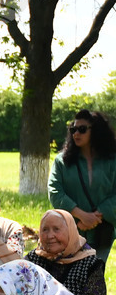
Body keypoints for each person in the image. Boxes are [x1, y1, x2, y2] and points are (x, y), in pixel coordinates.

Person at [48, 109, 116, 263]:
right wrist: (82, 216)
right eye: (73, 129)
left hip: (102, 230)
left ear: (97, 131)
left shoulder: (112, 160)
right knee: (70, 278)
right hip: (70, 230)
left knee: (94, 277)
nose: (76, 133)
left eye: (82, 129)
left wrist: (97, 216)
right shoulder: (62, 161)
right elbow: (55, 192)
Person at [26, 209, 107, 295]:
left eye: (56, 229)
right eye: (45, 230)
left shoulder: (90, 264)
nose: (50, 235)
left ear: (70, 231)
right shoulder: (32, 260)